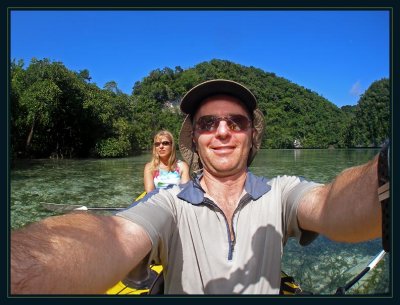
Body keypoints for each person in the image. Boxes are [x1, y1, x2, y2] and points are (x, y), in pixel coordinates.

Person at [10, 79, 389, 295]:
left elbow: (331, 205)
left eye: (236, 122)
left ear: (251, 135)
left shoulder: (281, 192)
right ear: (196, 138)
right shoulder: (169, 204)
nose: (222, 131)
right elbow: (113, 233)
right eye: (208, 124)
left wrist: (386, 172)